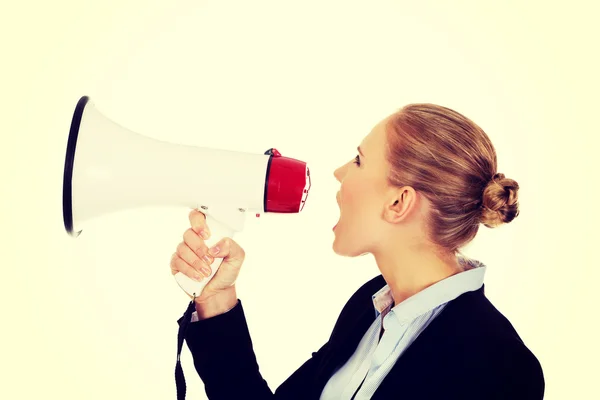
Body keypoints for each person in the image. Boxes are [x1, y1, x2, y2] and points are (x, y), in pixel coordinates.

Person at [170, 103, 545, 399]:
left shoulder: (502, 370)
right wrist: (217, 299)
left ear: (399, 202)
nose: (338, 172)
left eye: (359, 160)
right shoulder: (368, 306)